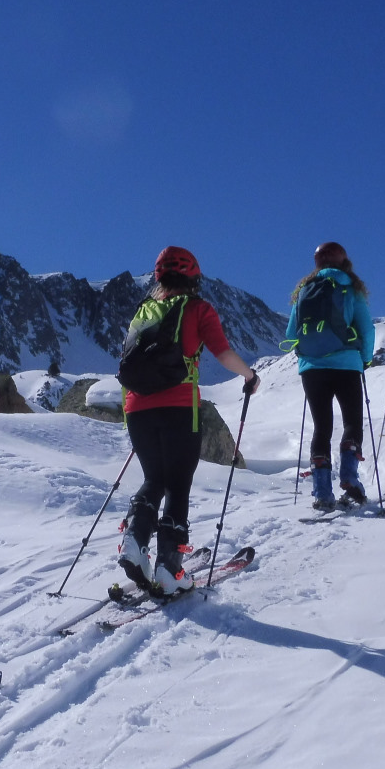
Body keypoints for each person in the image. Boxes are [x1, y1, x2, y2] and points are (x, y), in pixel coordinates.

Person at [117, 246, 259, 595]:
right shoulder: (198, 308)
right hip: (179, 406)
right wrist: (250, 376)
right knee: (178, 485)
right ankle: (169, 569)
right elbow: (222, 352)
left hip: (137, 407)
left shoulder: (143, 312)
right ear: (194, 278)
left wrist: (130, 414)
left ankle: (135, 543)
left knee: (154, 479)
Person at [283, 242, 375, 511]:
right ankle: (350, 479)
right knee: (352, 423)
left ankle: (322, 494)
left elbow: (291, 335)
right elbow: (366, 329)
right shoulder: (350, 287)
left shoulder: (304, 290)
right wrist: (365, 359)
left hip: (312, 368)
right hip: (346, 364)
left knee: (322, 427)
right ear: (345, 262)